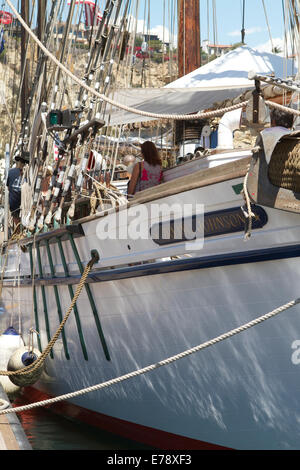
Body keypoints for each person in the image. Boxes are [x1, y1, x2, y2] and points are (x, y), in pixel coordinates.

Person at [6, 152, 29, 229]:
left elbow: (8, 187)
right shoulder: (29, 173)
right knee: (23, 218)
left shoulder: (10, 172)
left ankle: (19, 232)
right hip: (23, 202)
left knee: (16, 218)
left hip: (14, 202)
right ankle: (22, 231)